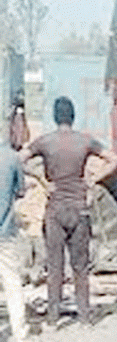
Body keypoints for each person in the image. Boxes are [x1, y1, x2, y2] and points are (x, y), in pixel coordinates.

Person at [22, 96, 117, 325]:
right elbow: (114, 159)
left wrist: (40, 178)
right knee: (80, 267)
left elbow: (19, 160)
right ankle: (85, 318)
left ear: (55, 117)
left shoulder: (44, 142)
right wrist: (94, 179)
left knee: (55, 267)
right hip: (80, 210)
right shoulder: (85, 141)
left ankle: (53, 320)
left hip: (55, 210)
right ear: (73, 117)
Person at [0, 122, 29, 341]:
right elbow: (21, 191)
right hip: (6, 230)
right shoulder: (12, 158)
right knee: (12, 281)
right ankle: (19, 331)